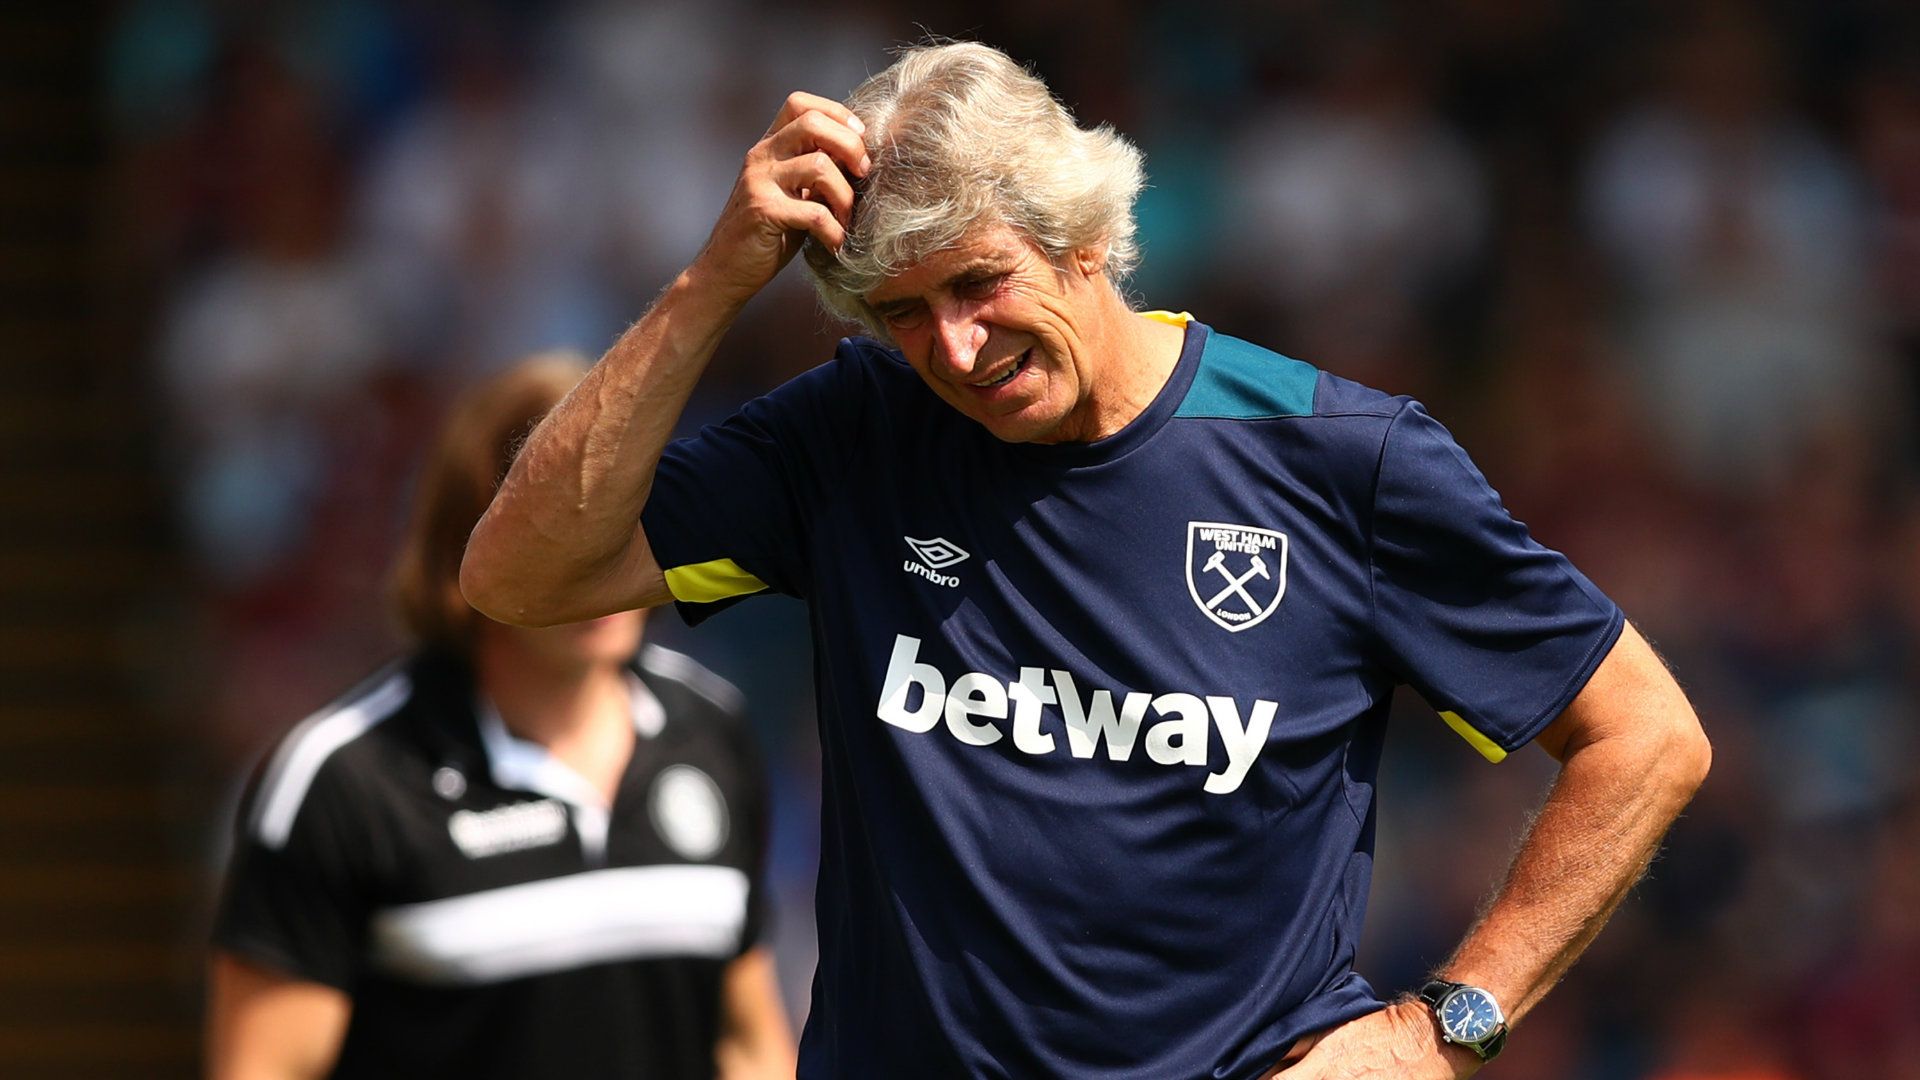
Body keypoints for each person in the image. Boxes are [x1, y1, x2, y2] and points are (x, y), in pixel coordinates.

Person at [460, 42, 1711, 1080]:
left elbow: (1646, 736)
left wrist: (1447, 1030)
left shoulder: (1338, 461)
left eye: (977, 283)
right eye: (901, 313)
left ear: (1084, 238)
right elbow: (522, 579)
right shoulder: (856, 430)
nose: (951, 349)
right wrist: (711, 284)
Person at [206, 354, 796, 1079]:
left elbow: (748, 1041)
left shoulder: (712, 729)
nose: (598, 561)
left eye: (628, 511)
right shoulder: (343, 778)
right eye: (562, 529)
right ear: (472, 544)